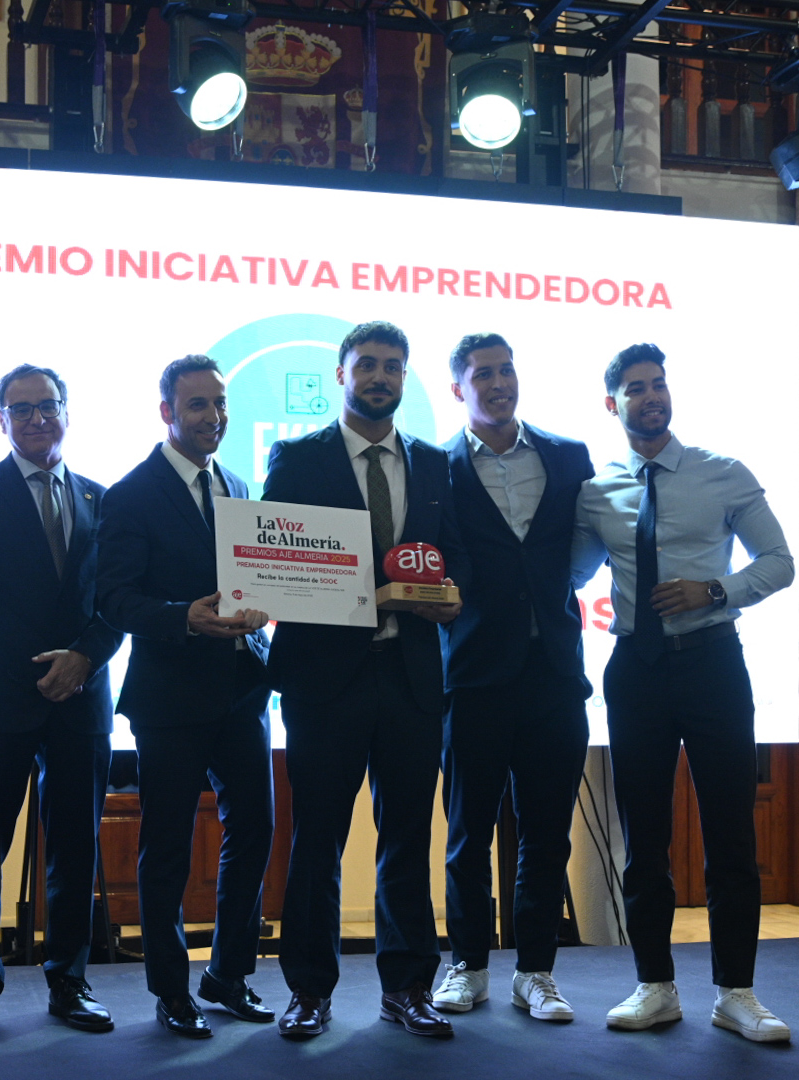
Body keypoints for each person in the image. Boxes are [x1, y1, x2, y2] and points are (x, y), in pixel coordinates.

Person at [570, 343, 795, 1042]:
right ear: (612, 404)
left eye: (658, 384)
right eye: (636, 388)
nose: (652, 396)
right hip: (635, 671)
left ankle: (736, 992)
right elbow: (568, 574)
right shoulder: (597, 491)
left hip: (712, 663)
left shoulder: (722, 472)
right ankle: (654, 986)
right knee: (644, 838)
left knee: (730, 833)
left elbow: (780, 562)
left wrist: (715, 590)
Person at [262, 320, 467, 1039]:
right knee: (317, 839)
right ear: (341, 375)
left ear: (404, 378)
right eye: (368, 364)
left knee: (407, 838)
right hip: (325, 681)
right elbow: (277, 569)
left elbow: (454, 557)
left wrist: (453, 595)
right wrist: (367, 597)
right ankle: (308, 992)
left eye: (393, 366)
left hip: (412, 679)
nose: (380, 376)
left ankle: (408, 988)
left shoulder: (435, 463)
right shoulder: (297, 458)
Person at [0, 364, 123, 1044]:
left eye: (49, 405)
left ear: (67, 411)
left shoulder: (103, 498)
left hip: (83, 696)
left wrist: (83, 659)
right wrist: (44, 664)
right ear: (2, 420)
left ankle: (70, 982)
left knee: (75, 848)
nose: (38, 418)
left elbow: (118, 598)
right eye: (22, 409)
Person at [96, 355, 276, 1039]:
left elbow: (255, 578)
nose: (213, 417)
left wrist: (266, 606)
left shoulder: (238, 485)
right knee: (168, 846)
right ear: (167, 412)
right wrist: (184, 617)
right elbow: (112, 599)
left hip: (243, 690)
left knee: (254, 831)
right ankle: (171, 990)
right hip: (170, 697)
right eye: (198, 404)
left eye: (220, 403)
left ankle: (228, 975)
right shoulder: (130, 494)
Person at [431, 334, 594, 1023]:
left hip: (554, 675)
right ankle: (468, 966)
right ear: (458, 389)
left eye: (505, 370)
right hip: (472, 676)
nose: (498, 383)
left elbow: (583, 550)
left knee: (547, 834)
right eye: (482, 375)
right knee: (468, 834)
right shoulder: (434, 466)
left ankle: (536, 972)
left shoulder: (569, 456)